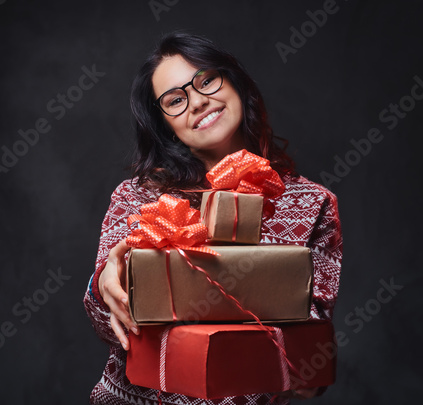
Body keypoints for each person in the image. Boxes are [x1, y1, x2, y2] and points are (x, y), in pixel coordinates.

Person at [83, 31, 343, 405]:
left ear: (236, 82)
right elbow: (106, 323)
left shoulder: (311, 202)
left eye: (207, 80)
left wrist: (308, 371)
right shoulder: (137, 196)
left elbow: (312, 326)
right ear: (164, 124)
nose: (198, 102)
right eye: (175, 100)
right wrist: (105, 283)